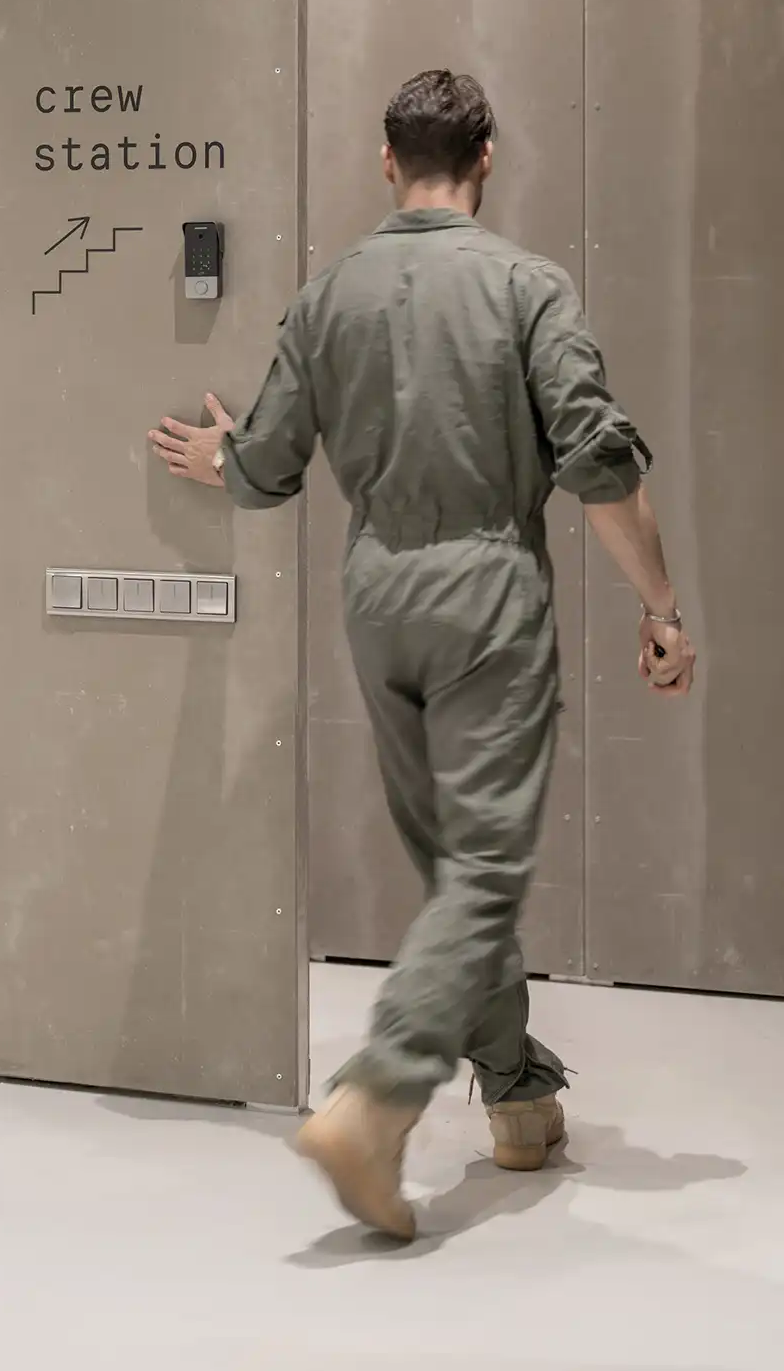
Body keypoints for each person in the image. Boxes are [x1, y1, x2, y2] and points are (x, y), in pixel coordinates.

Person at [148, 70, 696, 1243]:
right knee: (485, 867)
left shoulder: (328, 294)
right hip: (486, 591)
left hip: (376, 595)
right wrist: (661, 606)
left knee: (456, 866)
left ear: (385, 159)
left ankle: (519, 1099)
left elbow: (269, 467)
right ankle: (379, 1096)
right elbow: (599, 465)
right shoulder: (528, 288)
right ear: (487, 156)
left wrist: (224, 460)